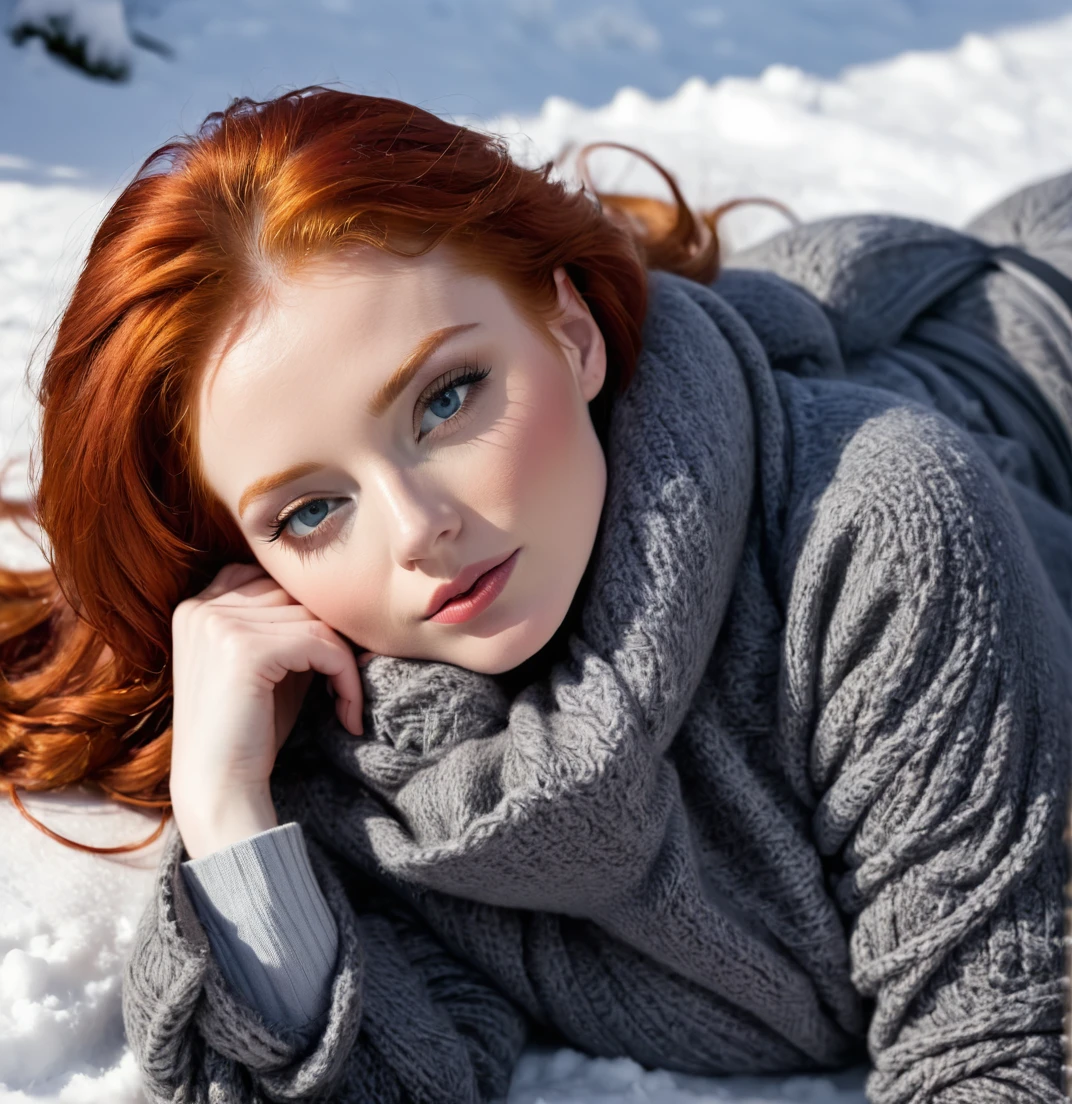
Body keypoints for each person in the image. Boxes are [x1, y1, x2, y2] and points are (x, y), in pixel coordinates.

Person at [1, 85, 1070, 1103]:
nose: (418, 530)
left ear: (571, 331)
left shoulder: (881, 528)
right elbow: (349, 1076)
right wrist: (229, 807)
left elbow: (1002, 1039)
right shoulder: (356, 754)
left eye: (446, 399)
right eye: (310, 511)